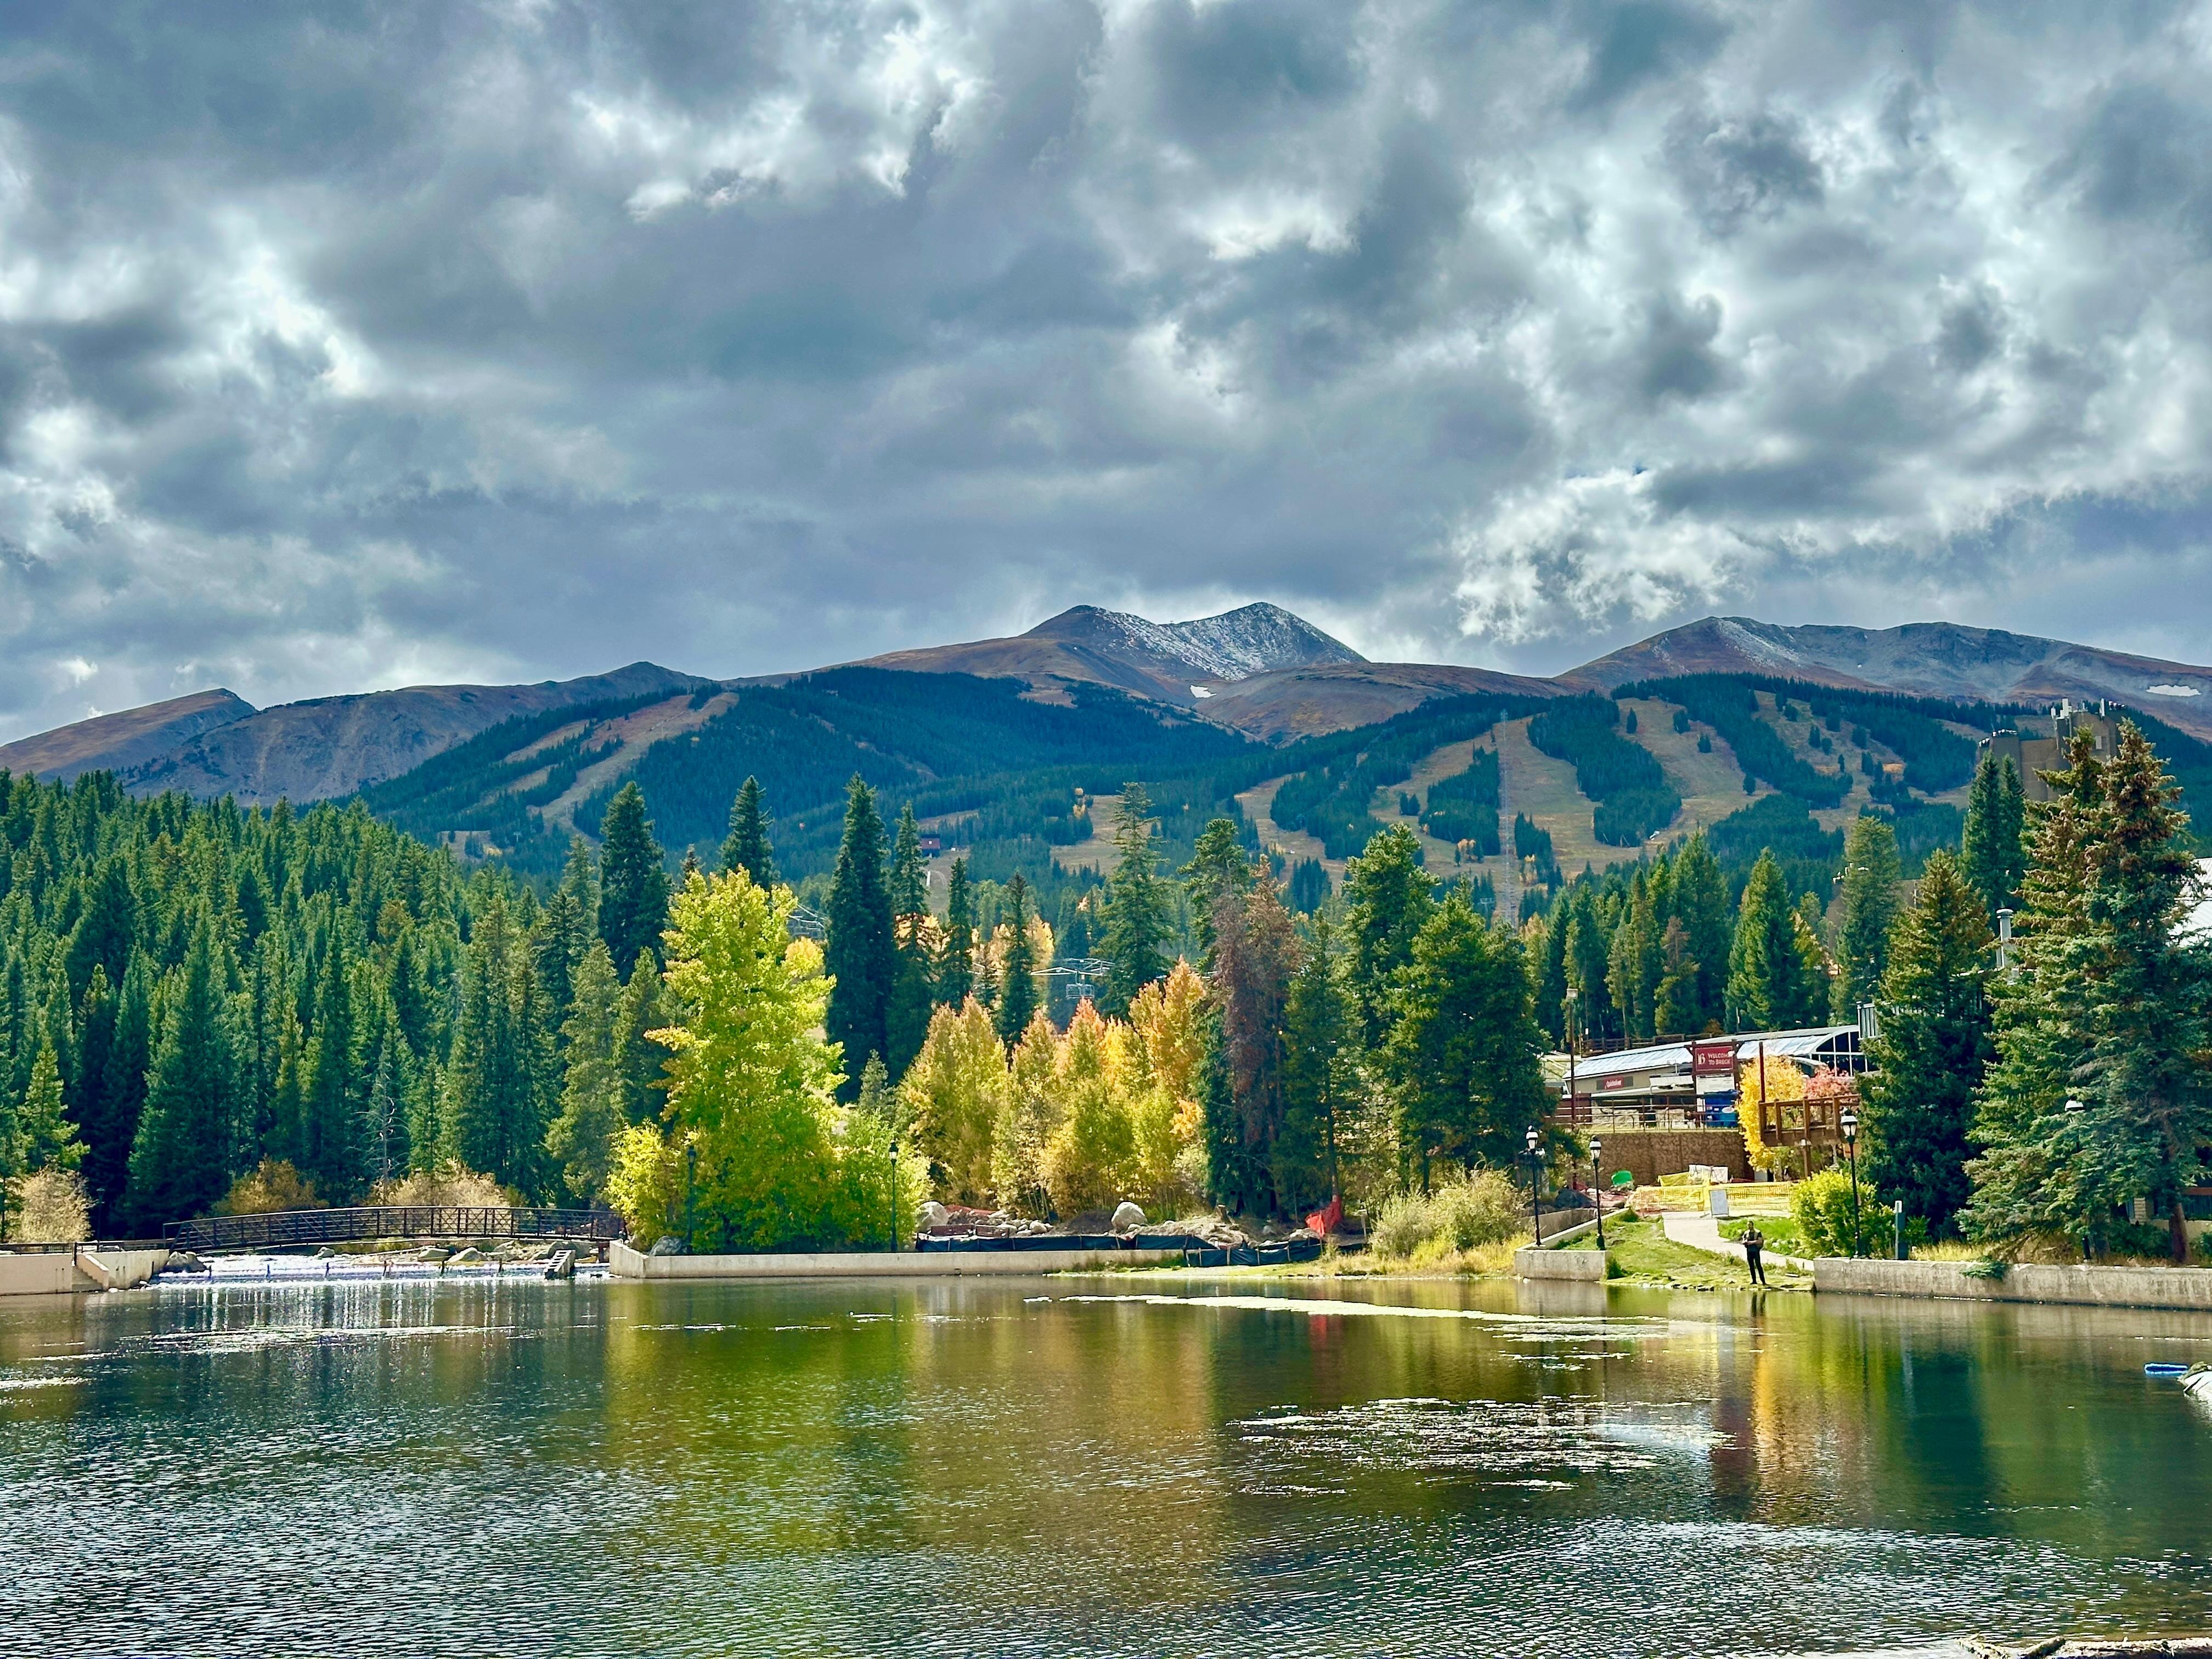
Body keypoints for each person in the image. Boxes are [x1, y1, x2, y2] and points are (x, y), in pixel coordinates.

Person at [1742, 1222, 1768, 1286]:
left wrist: (1751, 1243)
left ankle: (1763, 1281)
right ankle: (1754, 1281)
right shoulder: (1746, 1233)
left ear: (1753, 1225)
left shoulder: (1758, 1232)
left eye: (1750, 1225)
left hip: (1756, 1251)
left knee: (1758, 1266)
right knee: (1751, 1266)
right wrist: (1745, 1242)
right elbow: (1743, 1240)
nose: (1749, 1226)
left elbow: (1760, 1241)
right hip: (1749, 1251)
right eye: (1748, 1225)